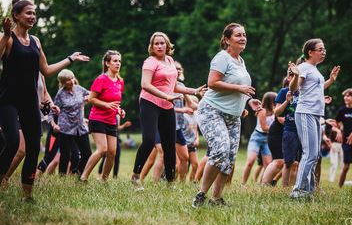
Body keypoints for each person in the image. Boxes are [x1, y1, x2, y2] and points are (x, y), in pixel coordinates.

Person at [0, 0, 89, 200]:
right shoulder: (9, 38)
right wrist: (5, 35)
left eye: (34, 13)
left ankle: (27, 195)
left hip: (30, 102)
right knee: (13, 143)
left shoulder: (36, 41)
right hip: (8, 101)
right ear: (16, 15)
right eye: (28, 13)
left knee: (33, 149)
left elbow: (46, 70)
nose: (33, 17)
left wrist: (70, 58)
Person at [192, 23, 261, 208]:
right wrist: (240, 88)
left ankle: (216, 199)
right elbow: (212, 83)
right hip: (212, 111)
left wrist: (247, 101)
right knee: (220, 150)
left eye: (244, 35)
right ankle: (201, 194)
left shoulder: (240, 60)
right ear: (227, 40)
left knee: (229, 158)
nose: (243, 38)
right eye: (238, 35)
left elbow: (237, 87)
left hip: (233, 117)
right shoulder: (222, 58)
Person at [131, 32, 206, 191]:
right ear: (152, 47)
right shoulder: (150, 62)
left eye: (162, 43)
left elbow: (174, 86)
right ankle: (136, 176)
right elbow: (145, 84)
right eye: (156, 44)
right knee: (149, 140)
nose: (159, 46)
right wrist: (166, 96)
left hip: (167, 105)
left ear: (167, 45)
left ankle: (171, 183)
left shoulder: (170, 61)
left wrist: (194, 91)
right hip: (150, 103)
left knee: (169, 145)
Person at [288, 38, 340, 199]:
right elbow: (293, 88)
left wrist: (330, 80)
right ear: (310, 52)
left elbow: (316, 88)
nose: (323, 52)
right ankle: (298, 192)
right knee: (309, 154)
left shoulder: (314, 69)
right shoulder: (303, 67)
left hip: (316, 114)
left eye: (324, 49)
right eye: (320, 49)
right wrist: (296, 76)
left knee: (316, 154)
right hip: (305, 113)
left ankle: (309, 191)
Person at [79, 50, 125, 182]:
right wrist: (106, 105)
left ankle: (104, 181)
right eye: (115, 61)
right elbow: (91, 99)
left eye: (119, 61)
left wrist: (119, 111)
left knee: (112, 153)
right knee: (102, 149)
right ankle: (83, 177)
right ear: (107, 63)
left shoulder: (120, 82)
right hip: (97, 118)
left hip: (111, 121)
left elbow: (116, 104)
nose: (118, 64)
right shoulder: (101, 79)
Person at [49, 69, 92, 175]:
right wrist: (54, 125)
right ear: (63, 83)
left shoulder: (79, 89)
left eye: (72, 78)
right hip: (66, 129)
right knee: (67, 155)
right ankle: (62, 177)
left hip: (80, 127)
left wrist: (89, 97)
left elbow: (93, 95)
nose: (72, 81)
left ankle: (78, 175)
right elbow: (51, 113)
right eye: (68, 80)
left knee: (87, 153)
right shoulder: (60, 94)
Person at [242, 92, 276, 185]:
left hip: (267, 138)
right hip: (257, 137)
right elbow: (264, 127)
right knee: (250, 161)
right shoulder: (262, 111)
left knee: (268, 165)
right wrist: (276, 128)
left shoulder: (275, 112)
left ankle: (261, 184)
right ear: (270, 101)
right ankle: (243, 184)